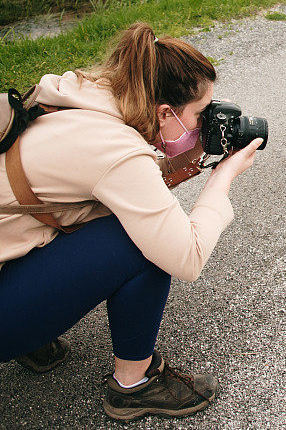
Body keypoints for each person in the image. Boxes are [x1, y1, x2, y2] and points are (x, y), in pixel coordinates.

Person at [0, 22, 262, 421]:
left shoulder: (81, 93)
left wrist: (182, 156)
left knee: (128, 224)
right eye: (200, 114)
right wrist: (221, 176)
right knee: (139, 243)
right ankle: (134, 385)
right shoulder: (117, 150)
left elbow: (102, 187)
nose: (204, 123)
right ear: (165, 112)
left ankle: (31, 320)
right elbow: (185, 257)